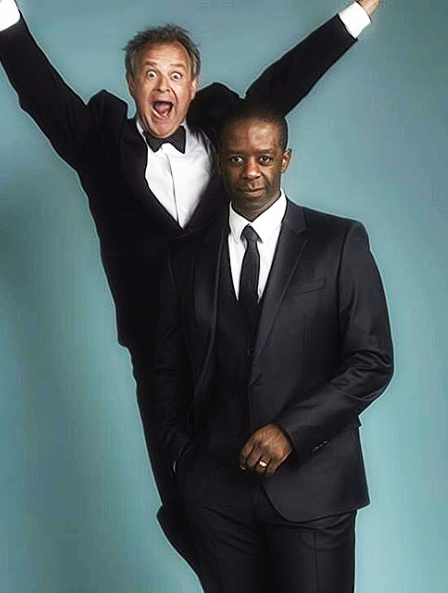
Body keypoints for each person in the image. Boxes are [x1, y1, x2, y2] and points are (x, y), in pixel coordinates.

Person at [0, 0, 380, 570]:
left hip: (239, 361)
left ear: (192, 86)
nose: (162, 86)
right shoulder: (100, 148)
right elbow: (39, 91)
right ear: (132, 84)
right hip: (162, 368)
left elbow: (288, 80)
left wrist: (357, 12)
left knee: (277, 510)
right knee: (198, 524)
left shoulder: (225, 136)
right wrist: (0, 11)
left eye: (175, 74)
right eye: (150, 74)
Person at [154, 101, 394, 592]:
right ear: (220, 161)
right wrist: (184, 457)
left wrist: (291, 430)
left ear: (285, 160)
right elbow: (168, 368)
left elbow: (372, 361)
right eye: (237, 159)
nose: (250, 172)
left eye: (264, 158)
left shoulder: (338, 242)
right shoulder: (186, 258)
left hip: (313, 484)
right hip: (216, 493)